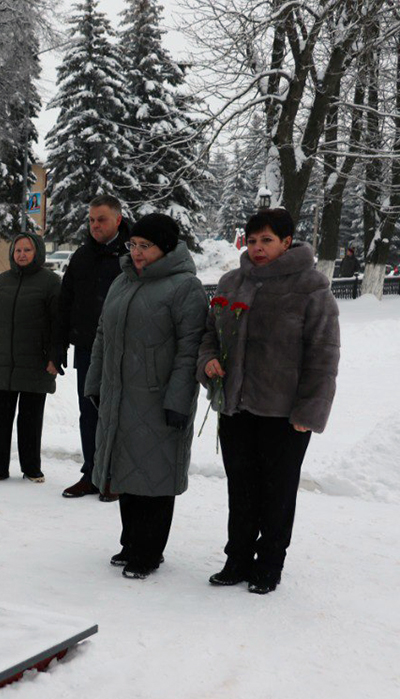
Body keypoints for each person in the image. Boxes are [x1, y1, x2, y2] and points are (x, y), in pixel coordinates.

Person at [199, 208, 340, 594]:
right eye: (253, 239)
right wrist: (207, 360)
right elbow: (209, 334)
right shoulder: (231, 282)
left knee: (277, 491)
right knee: (240, 487)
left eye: (267, 240)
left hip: (284, 413)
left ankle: (270, 564)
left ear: (286, 242)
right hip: (236, 407)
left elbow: (323, 355)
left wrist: (308, 412)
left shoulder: (311, 288)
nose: (258, 248)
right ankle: (238, 558)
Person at [85, 213, 208, 579]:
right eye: (133, 245)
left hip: (158, 398)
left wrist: (179, 399)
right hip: (120, 394)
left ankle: (149, 551)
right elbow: (103, 336)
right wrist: (95, 382)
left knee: (155, 476)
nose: (136, 253)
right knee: (127, 471)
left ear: (166, 249)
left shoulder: (186, 287)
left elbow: (190, 350)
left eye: (145, 246)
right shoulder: (124, 282)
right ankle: (130, 542)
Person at [55, 195, 130, 501]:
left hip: (124, 351)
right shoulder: (82, 256)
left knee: (119, 414)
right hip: (87, 349)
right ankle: (92, 473)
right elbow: (65, 304)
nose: (95, 225)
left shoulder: (133, 255)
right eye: (91, 220)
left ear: (118, 220)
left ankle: (116, 476)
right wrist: (57, 348)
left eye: (102, 219)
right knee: (89, 413)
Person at [0, 231, 61, 482]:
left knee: (30, 420)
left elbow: (58, 325)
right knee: (0, 418)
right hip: (4, 362)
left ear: (38, 253)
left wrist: (56, 357)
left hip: (37, 362)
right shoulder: (1, 282)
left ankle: (31, 467)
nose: (21, 254)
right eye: (18, 250)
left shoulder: (50, 282)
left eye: (27, 250)